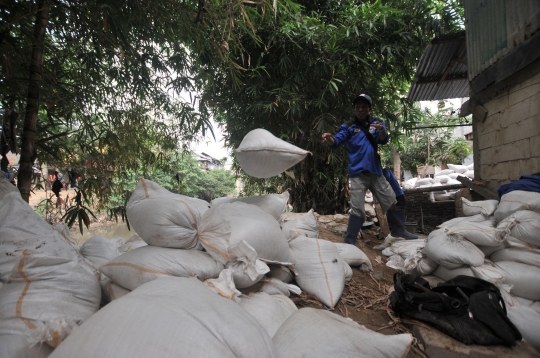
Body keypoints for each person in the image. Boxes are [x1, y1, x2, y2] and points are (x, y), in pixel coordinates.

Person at [322, 94, 416, 244]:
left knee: (391, 202)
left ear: (369, 108)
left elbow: (383, 140)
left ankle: (399, 229)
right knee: (357, 208)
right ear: (354, 109)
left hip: (375, 171)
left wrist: (382, 130)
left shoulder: (377, 123)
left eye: (364, 106)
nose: (360, 109)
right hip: (357, 174)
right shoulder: (348, 127)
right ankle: (350, 239)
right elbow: (336, 141)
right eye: (357, 107)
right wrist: (329, 138)